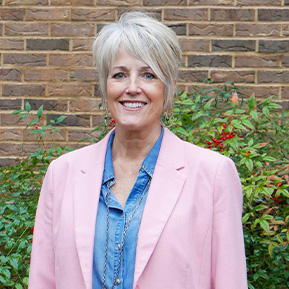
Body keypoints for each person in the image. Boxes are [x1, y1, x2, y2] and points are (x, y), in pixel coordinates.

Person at [28, 11, 248, 289]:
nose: (132, 88)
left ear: (168, 90)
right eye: (119, 74)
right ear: (105, 87)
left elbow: (230, 281)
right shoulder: (62, 174)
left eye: (148, 75)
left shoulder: (213, 174)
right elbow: (43, 281)